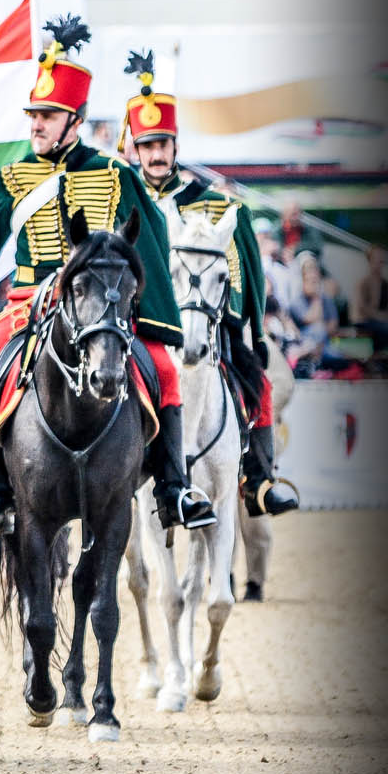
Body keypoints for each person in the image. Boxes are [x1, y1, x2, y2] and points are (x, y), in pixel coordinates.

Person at [0, 15, 209, 541]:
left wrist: (149, 318)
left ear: (75, 120)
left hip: (100, 308)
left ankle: (174, 486)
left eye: (48, 115)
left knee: (167, 375)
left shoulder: (115, 174)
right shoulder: (13, 176)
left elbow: (146, 248)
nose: (35, 124)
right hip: (25, 306)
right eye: (34, 114)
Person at [121, 52, 296, 515]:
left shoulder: (214, 204)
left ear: (176, 147)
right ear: (134, 150)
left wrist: (222, 311)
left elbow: (240, 271)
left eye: (163, 143)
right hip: (139, 327)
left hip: (207, 322)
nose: (156, 154)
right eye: (146, 145)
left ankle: (259, 481)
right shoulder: (123, 203)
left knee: (257, 381)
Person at [351, 243, 388, 351]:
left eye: (382, 258)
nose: (380, 262)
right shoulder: (364, 282)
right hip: (365, 322)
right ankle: (380, 360)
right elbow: (363, 309)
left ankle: (384, 359)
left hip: (381, 323)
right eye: (377, 258)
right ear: (370, 260)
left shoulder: (386, 283)